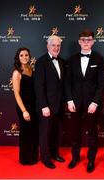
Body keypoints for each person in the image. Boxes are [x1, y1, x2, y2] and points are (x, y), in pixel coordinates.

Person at [65, 29, 104, 173]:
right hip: (75, 104)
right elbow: (67, 83)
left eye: (89, 39)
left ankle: (91, 160)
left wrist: (95, 102)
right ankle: (75, 158)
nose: (86, 42)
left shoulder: (99, 59)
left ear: (93, 41)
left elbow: (101, 84)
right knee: (75, 133)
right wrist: (69, 100)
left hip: (92, 105)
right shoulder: (72, 59)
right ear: (79, 42)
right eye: (83, 39)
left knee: (93, 134)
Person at [34, 35, 65, 169]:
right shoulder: (41, 61)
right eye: (53, 45)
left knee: (56, 132)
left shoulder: (62, 61)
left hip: (59, 105)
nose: (56, 48)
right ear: (48, 46)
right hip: (46, 106)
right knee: (45, 133)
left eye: (58, 46)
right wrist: (44, 105)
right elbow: (38, 86)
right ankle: (46, 158)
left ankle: (55, 153)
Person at [12, 47, 39, 165]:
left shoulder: (31, 69)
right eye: (21, 55)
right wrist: (24, 111)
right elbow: (16, 93)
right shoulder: (16, 72)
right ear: (18, 57)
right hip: (24, 107)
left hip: (33, 105)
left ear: (29, 56)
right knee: (25, 133)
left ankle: (33, 156)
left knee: (33, 132)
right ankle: (25, 159)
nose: (24, 57)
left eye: (26, 55)